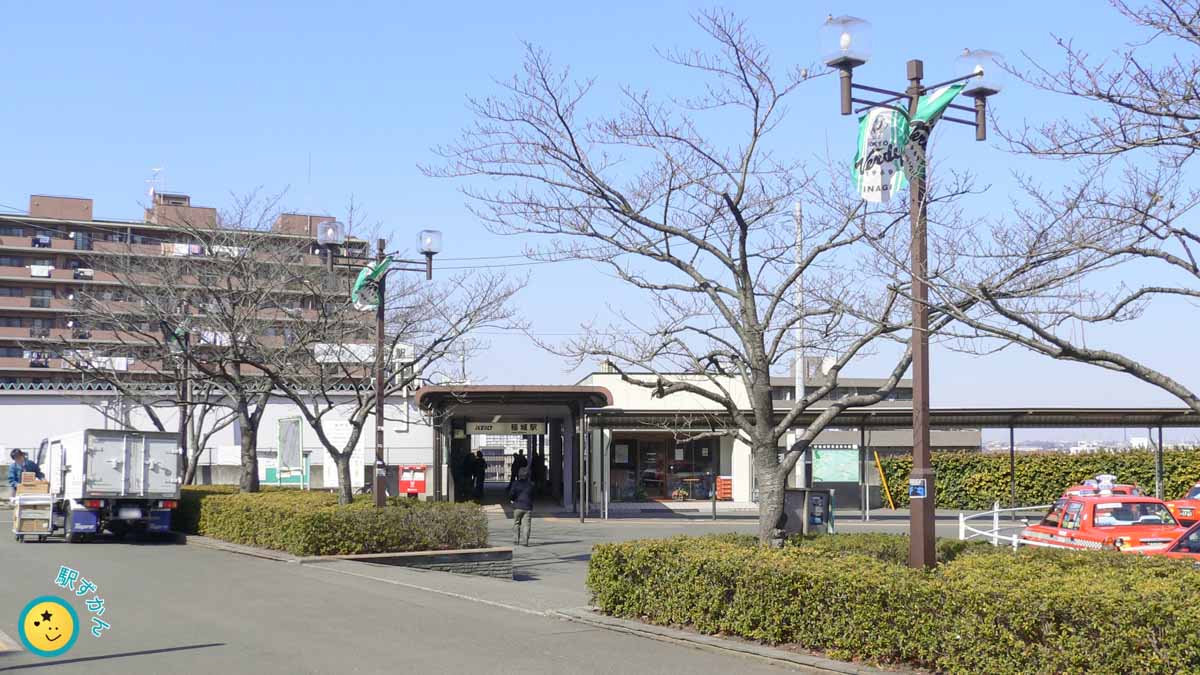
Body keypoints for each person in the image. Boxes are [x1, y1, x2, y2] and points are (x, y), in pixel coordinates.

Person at [508, 467, 534, 547]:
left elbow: (511, 494)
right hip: (527, 506)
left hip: (517, 506)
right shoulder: (531, 484)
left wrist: (512, 500)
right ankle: (525, 541)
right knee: (527, 524)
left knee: (516, 523)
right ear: (528, 475)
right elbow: (533, 495)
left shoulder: (515, 483)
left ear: (519, 474)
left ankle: (516, 540)